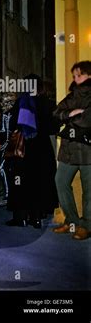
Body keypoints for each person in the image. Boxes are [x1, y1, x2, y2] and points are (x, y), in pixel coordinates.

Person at [5, 74, 59, 228]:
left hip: (24, 149)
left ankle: (20, 217)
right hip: (41, 149)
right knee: (39, 181)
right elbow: (53, 127)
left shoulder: (21, 102)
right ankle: (36, 217)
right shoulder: (48, 104)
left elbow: (12, 125)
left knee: (20, 182)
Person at [53, 61, 91, 240]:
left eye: (79, 75)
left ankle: (87, 225)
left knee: (89, 189)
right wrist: (70, 114)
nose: (76, 79)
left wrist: (70, 118)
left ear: (89, 75)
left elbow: (86, 121)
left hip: (87, 149)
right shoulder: (72, 95)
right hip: (68, 148)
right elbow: (56, 113)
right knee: (60, 181)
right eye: (74, 76)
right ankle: (71, 221)